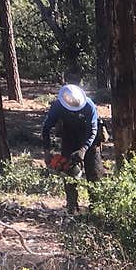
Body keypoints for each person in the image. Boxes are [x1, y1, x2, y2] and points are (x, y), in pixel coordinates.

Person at [41, 82, 106, 214]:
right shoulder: (58, 106)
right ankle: (72, 208)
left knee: (95, 176)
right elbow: (46, 128)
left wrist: (83, 149)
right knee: (69, 175)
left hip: (90, 142)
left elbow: (93, 131)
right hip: (69, 140)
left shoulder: (89, 106)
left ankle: (97, 211)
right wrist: (47, 151)